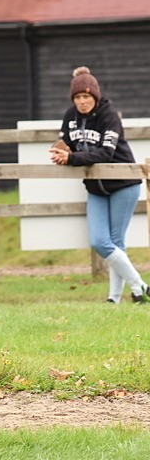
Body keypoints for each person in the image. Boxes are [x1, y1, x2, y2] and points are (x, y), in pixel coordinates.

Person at [51, 66, 148, 303]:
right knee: (99, 241)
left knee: (114, 242)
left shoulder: (109, 115)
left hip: (123, 185)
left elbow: (105, 153)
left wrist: (72, 159)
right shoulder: (70, 117)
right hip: (95, 187)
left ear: (95, 96)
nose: (82, 102)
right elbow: (65, 143)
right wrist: (58, 152)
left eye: (86, 97)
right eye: (77, 97)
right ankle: (141, 288)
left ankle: (116, 297)